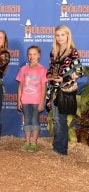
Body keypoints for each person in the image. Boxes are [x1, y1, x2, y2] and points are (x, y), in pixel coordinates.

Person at [46, 25, 84, 155]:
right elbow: (50, 69)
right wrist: (50, 76)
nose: (60, 38)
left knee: (60, 118)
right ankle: (58, 147)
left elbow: (79, 70)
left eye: (63, 35)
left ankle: (61, 149)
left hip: (64, 89)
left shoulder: (73, 51)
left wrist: (63, 78)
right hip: (53, 88)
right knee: (57, 118)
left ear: (68, 36)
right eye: (57, 35)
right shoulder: (54, 52)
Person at [16, 45, 47, 152]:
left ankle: (34, 143)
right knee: (27, 121)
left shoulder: (42, 69)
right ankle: (27, 142)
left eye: (34, 54)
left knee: (35, 121)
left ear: (39, 55)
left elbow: (44, 87)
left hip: (36, 101)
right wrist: (19, 100)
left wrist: (42, 101)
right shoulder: (23, 69)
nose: (32, 56)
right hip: (25, 100)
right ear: (27, 55)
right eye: (30, 54)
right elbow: (20, 86)